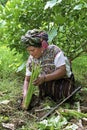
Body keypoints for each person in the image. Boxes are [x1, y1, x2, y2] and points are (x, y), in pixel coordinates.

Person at [21, 29, 75, 107]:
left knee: (64, 96)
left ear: (43, 46)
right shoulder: (31, 60)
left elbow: (62, 71)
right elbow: (27, 79)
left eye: (33, 50)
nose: (31, 53)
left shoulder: (54, 51)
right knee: (45, 96)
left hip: (62, 80)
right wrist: (25, 93)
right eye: (29, 51)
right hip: (46, 83)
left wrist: (44, 78)